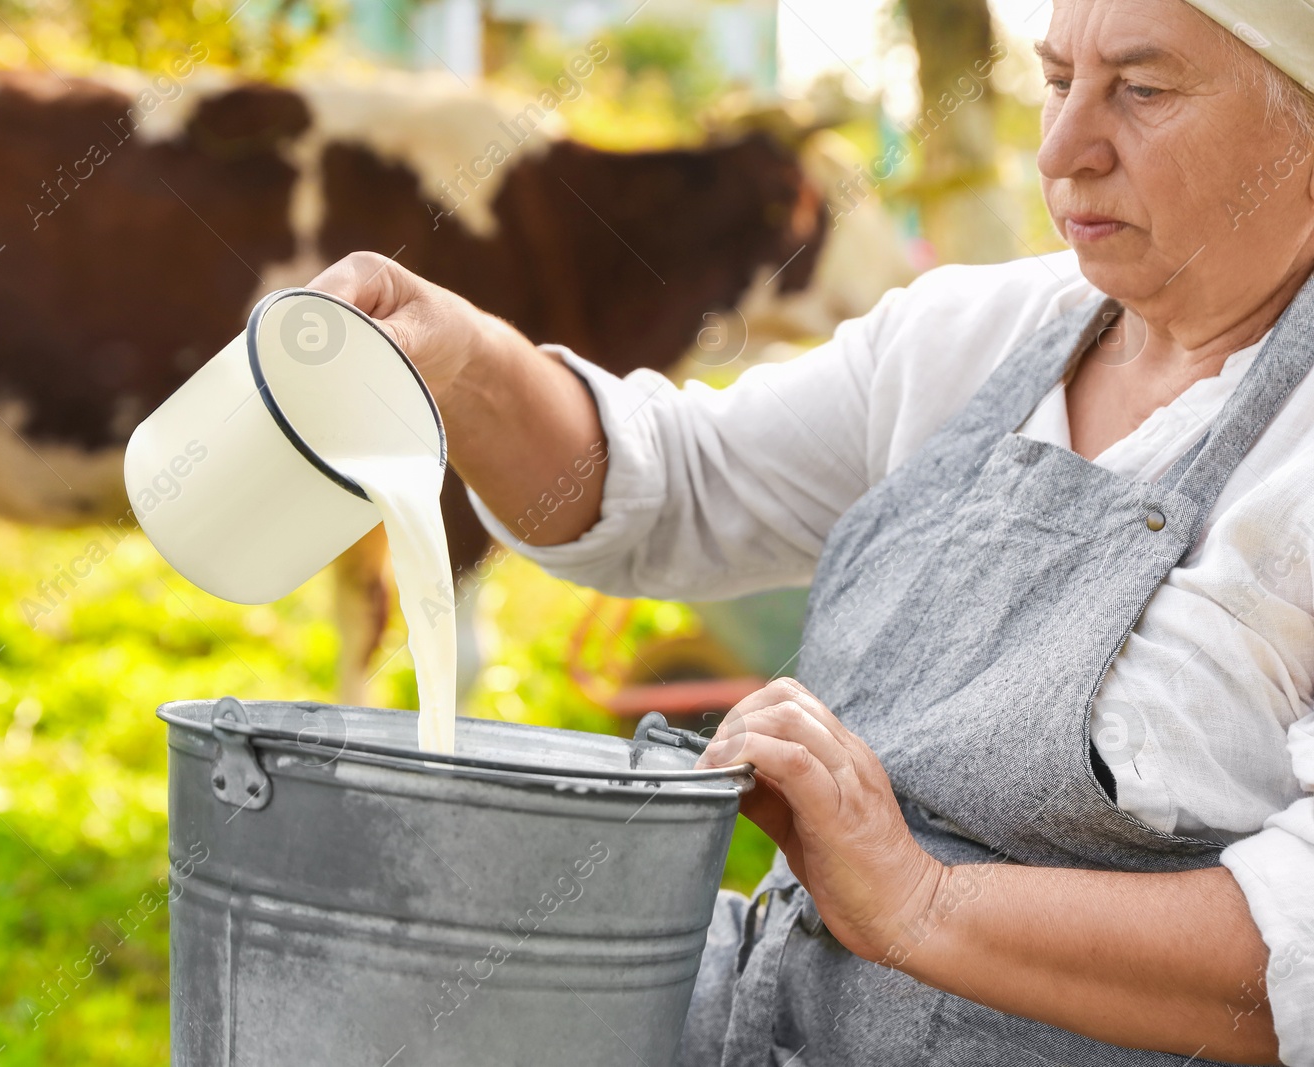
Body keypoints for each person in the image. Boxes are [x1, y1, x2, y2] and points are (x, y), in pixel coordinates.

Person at [308, 0, 1314, 1062]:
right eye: (1058, 81)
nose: (1063, 149)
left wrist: (920, 904)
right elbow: (672, 486)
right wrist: (461, 356)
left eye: (1143, 90)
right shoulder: (970, 335)